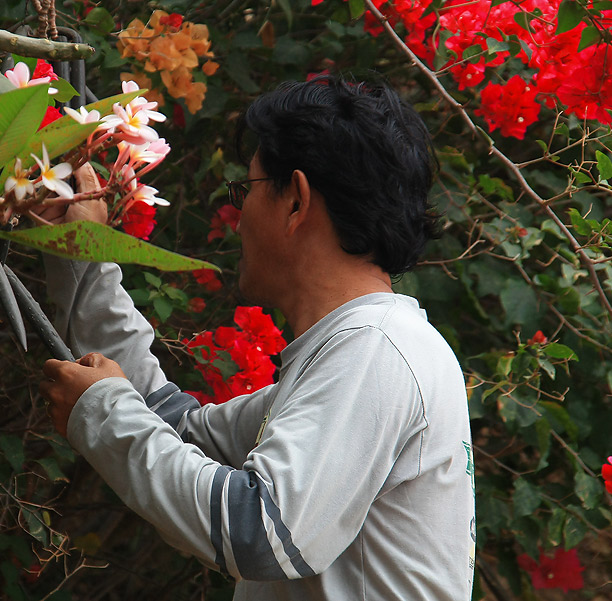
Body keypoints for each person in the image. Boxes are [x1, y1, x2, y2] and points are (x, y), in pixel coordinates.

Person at [37, 75, 475, 600]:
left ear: (296, 203)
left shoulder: (377, 349)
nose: (239, 216)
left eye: (246, 190)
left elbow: (261, 531)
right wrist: (80, 251)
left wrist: (104, 413)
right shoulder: (364, 348)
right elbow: (173, 428)